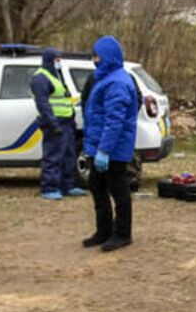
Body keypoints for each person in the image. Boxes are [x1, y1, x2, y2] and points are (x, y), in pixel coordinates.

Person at [81, 35, 139, 252]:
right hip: (98, 146)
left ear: (107, 57)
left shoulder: (118, 82)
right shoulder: (104, 78)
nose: (94, 60)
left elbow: (114, 121)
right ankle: (104, 230)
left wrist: (104, 150)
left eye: (97, 56)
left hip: (113, 148)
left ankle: (123, 233)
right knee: (97, 186)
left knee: (118, 190)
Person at [31, 47, 84, 200]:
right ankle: (49, 187)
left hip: (66, 122)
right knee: (53, 156)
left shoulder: (58, 76)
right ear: (49, 60)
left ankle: (68, 185)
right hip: (54, 123)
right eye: (57, 60)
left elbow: (64, 98)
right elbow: (43, 104)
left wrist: (72, 120)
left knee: (69, 155)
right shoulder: (41, 78)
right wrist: (53, 123)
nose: (59, 63)